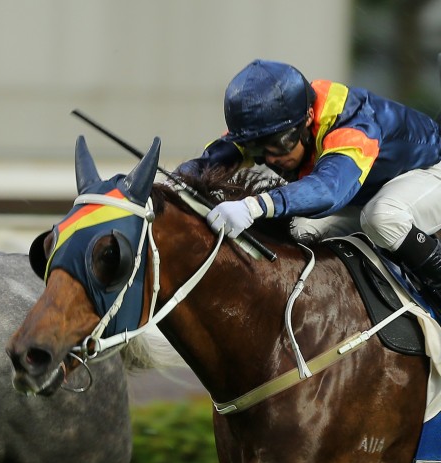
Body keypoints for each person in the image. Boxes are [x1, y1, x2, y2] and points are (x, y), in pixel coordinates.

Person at [179, 59, 441, 296]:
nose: (271, 159)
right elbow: (216, 157)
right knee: (301, 230)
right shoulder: (277, 120)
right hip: (370, 189)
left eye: (278, 144)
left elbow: (329, 190)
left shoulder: (354, 124)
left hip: (430, 171)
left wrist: (253, 206)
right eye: (257, 149)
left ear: (308, 118)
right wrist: (176, 182)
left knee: (382, 216)